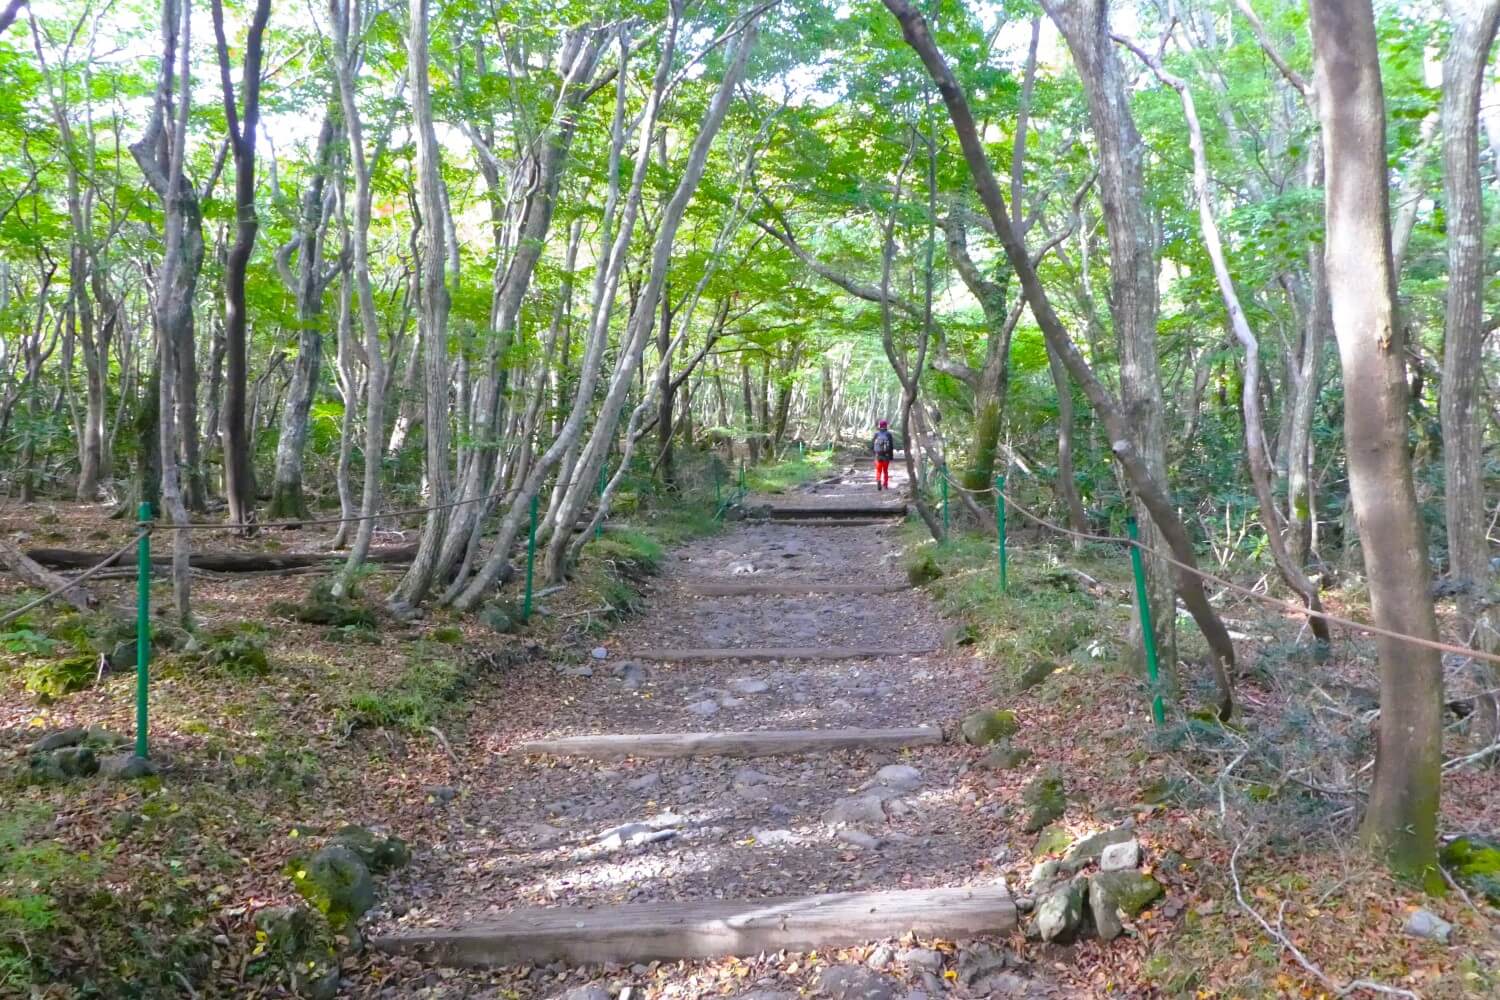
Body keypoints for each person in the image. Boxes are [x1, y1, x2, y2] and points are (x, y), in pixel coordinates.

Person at [871, 419, 894, 491]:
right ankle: (885, 484)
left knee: (878, 471)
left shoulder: (876, 434)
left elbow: (872, 445)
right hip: (886, 456)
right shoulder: (888, 434)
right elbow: (891, 446)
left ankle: (878, 481)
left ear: (880, 426)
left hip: (877, 455)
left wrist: (874, 454)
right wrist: (891, 456)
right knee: (885, 471)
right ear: (886, 425)